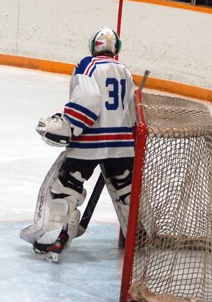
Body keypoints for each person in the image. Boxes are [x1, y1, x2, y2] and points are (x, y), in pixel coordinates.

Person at [22, 27, 135, 261]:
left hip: (89, 144)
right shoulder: (126, 71)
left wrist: (70, 125)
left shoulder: (88, 65)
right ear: (116, 49)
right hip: (123, 145)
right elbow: (134, 110)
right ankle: (140, 239)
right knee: (126, 191)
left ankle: (55, 238)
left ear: (93, 46)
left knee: (66, 188)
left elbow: (89, 100)